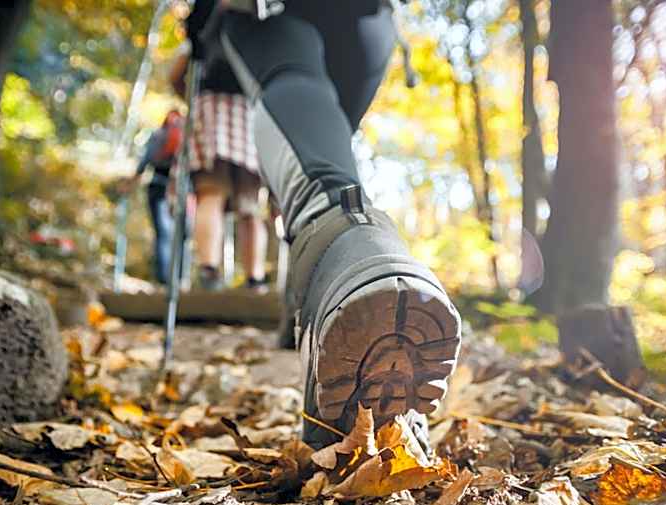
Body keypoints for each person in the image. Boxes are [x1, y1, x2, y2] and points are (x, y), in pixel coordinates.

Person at [187, 0, 462, 451]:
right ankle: (320, 284)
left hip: (269, 15)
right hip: (368, 25)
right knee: (320, 138)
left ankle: (342, 243)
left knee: (296, 92)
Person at [170, 44, 269, 292]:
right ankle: (254, 279)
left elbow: (175, 75)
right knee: (250, 206)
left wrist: (193, 99)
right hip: (250, 114)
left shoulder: (208, 25)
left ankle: (209, 270)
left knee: (211, 194)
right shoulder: (262, 26)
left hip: (209, 109)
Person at [135, 110, 183, 284]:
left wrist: (134, 178)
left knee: (163, 234)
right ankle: (180, 277)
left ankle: (164, 279)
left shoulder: (157, 135)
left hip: (157, 185)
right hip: (182, 190)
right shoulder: (188, 135)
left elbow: (145, 160)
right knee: (181, 235)